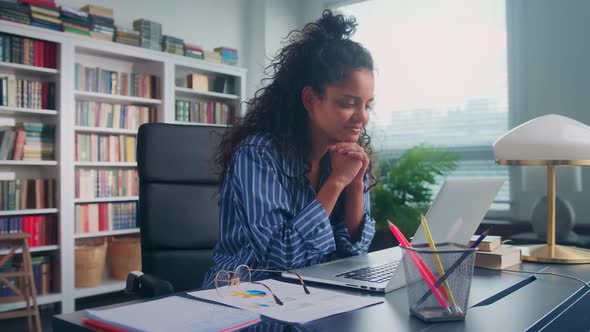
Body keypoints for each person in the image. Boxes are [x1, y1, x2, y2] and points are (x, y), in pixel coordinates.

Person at [203, 9, 377, 287]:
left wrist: (355, 186)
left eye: (367, 105)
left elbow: (354, 253)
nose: (363, 117)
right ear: (310, 99)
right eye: (348, 103)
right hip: (245, 296)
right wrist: (336, 183)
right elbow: (281, 257)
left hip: (312, 294)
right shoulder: (259, 154)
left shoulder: (347, 157)